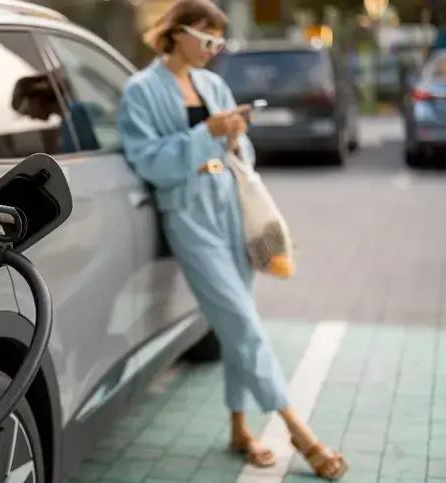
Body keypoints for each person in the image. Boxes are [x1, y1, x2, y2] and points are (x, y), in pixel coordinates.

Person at [117, 0, 349, 479]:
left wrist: (234, 133)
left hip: (229, 206)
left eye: (219, 42)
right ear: (176, 32)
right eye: (207, 40)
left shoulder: (213, 83)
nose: (214, 50)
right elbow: (151, 164)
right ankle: (297, 432)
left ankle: (240, 428)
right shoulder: (140, 91)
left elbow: (241, 151)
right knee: (242, 322)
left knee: (238, 318)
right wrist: (207, 133)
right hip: (187, 215)